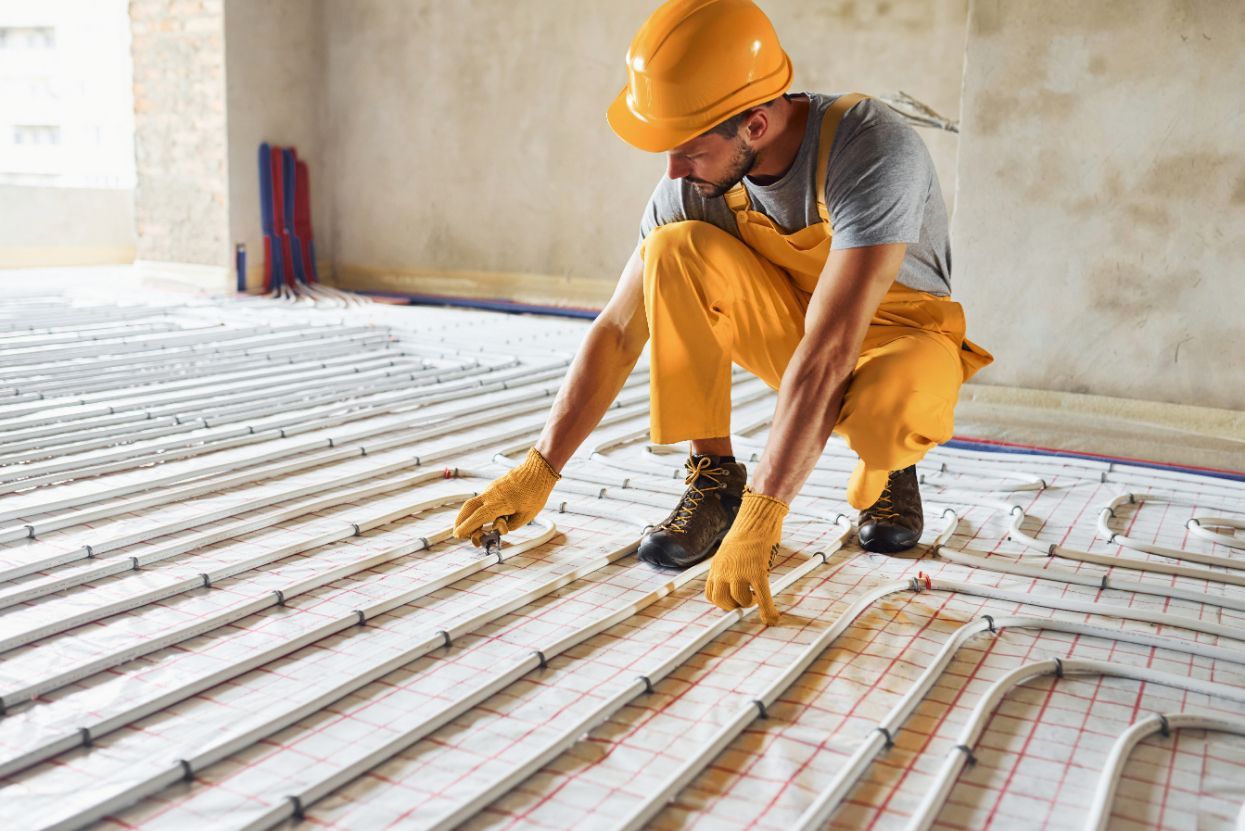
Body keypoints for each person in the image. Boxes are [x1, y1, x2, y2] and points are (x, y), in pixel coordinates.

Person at [452, 0, 991, 624]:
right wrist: (540, 468)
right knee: (671, 249)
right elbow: (619, 330)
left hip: (901, 338)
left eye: (689, 151)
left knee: (887, 408)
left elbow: (832, 347)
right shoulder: (694, 183)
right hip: (802, 330)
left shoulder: (870, 150)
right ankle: (714, 481)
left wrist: (767, 514)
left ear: (755, 125)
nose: (672, 171)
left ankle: (893, 463)